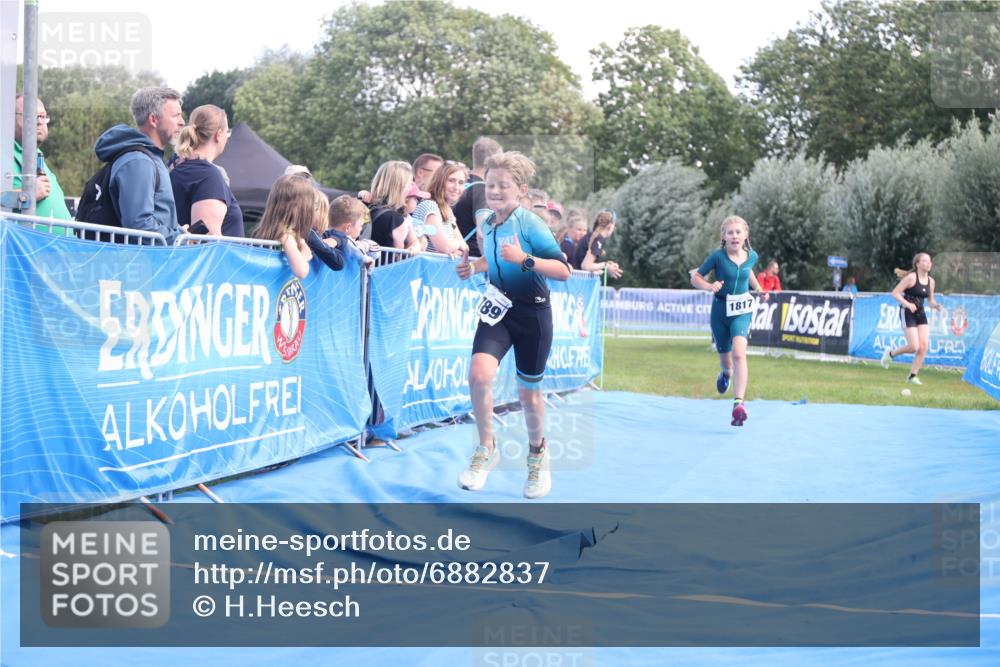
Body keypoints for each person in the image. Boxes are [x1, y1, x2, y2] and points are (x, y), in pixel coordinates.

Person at [455, 151, 570, 499]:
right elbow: (491, 260)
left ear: (520, 190)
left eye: (504, 185)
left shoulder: (531, 224)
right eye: (490, 184)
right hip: (498, 311)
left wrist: (526, 260)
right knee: (478, 375)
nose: (495, 190)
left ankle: (537, 456)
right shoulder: (488, 223)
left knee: (528, 394)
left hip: (533, 315)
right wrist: (472, 268)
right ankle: (486, 448)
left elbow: (563, 271)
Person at [691, 215, 765, 427]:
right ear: (723, 236)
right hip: (720, 310)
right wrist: (708, 286)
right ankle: (725, 374)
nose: (734, 236)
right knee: (727, 362)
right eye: (730, 232)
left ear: (745, 235)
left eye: (738, 232)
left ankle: (738, 404)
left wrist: (758, 289)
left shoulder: (752, 256)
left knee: (739, 353)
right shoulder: (717, 257)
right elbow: (695, 277)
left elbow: (748, 270)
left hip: (742, 310)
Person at [91, 86, 185, 243]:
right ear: (153, 120)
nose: (182, 122)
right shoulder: (139, 162)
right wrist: (179, 238)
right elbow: (140, 227)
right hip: (140, 264)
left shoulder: (148, 158)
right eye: (176, 116)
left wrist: (178, 232)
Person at [169, 104, 244, 237]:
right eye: (227, 132)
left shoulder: (176, 168)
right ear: (219, 135)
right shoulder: (207, 176)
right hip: (218, 258)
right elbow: (207, 240)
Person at [880, 253, 943, 384]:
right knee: (914, 346)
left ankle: (912, 376)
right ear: (917, 264)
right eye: (924, 261)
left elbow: (930, 301)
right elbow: (895, 293)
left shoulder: (931, 282)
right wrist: (908, 304)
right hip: (907, 312)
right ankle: (890, 354)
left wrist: (936, 305)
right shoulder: (911, 278)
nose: (928, 263)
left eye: (929, 261)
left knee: (924, 346)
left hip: (920, 313)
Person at [12, 95, 72, 231]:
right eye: (31, 115)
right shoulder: (4, 152)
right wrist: (27, 194)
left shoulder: (37, 155)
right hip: (24, 249)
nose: (39, 122)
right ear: (10, 119)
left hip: (54, 249)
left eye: (42, 116)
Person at [252, 175, 317, 279]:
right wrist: (304, 256)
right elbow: (301, 271)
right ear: (303, 206)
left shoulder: (269, 230)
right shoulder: (285, 235)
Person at [453, 136, 502, 257]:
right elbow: (482, 233)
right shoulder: (484, 191)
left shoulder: (458, 183)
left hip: (451, 254)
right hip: (471, 259)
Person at [413, 162, 469, 257]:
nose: (456, 187)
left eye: (461, 183)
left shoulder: (447, 210)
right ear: (440, 181)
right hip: (424, 269)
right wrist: (457, 244)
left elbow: (465, 249)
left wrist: (454, 249)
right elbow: (445, 248)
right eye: (451, 181)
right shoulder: (430, 206)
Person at [366, 161, 421, 252]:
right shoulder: (394, 218)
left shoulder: (367, 207)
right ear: (400, 186)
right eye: (409, 183)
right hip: (384, 266)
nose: (410, 187)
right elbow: (397, 255)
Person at [323, 195, 376, 268]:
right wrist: (365, 259)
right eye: (361, 225)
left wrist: (363, 245)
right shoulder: (346, 241)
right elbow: (351, 247)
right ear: (348, 227)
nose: (361, 229)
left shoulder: (321, 236)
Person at [572, 210, 623, 279]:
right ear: (610, 226)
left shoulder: (592, 237)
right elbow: (586, 266)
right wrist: (606, 265)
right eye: (614, 226)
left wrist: (608, 266)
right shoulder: (598, 240)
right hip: (579, 284)